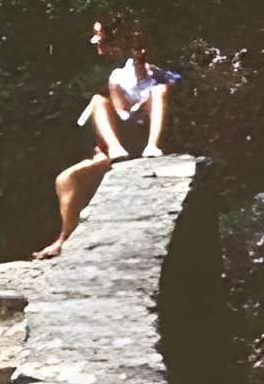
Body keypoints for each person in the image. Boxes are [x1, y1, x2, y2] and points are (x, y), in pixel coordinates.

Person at [34, 14, 180, 258]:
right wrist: (131, 109)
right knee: (65, 179)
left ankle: (152, 145)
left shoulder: (161, 77)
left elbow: (172, 94)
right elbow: (121, 112)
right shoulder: (118, 76)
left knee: (158, 92)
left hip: (148, 137)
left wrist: (148, 90)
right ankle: (64, 238)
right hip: (122, 143)